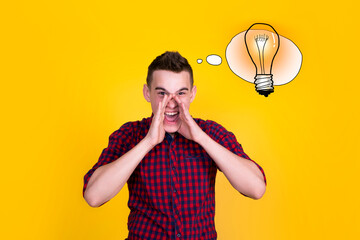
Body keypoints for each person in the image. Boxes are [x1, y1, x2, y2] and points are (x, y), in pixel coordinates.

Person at [83, 51, 266, 240]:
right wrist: (148, 142)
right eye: (162, 93)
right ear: (147, 93)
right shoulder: (130, 134)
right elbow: (94, 196)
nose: (172, 103)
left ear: (192, 94)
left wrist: (201, 138)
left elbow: (256, 188)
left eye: (180, 93)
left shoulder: (209, 132)